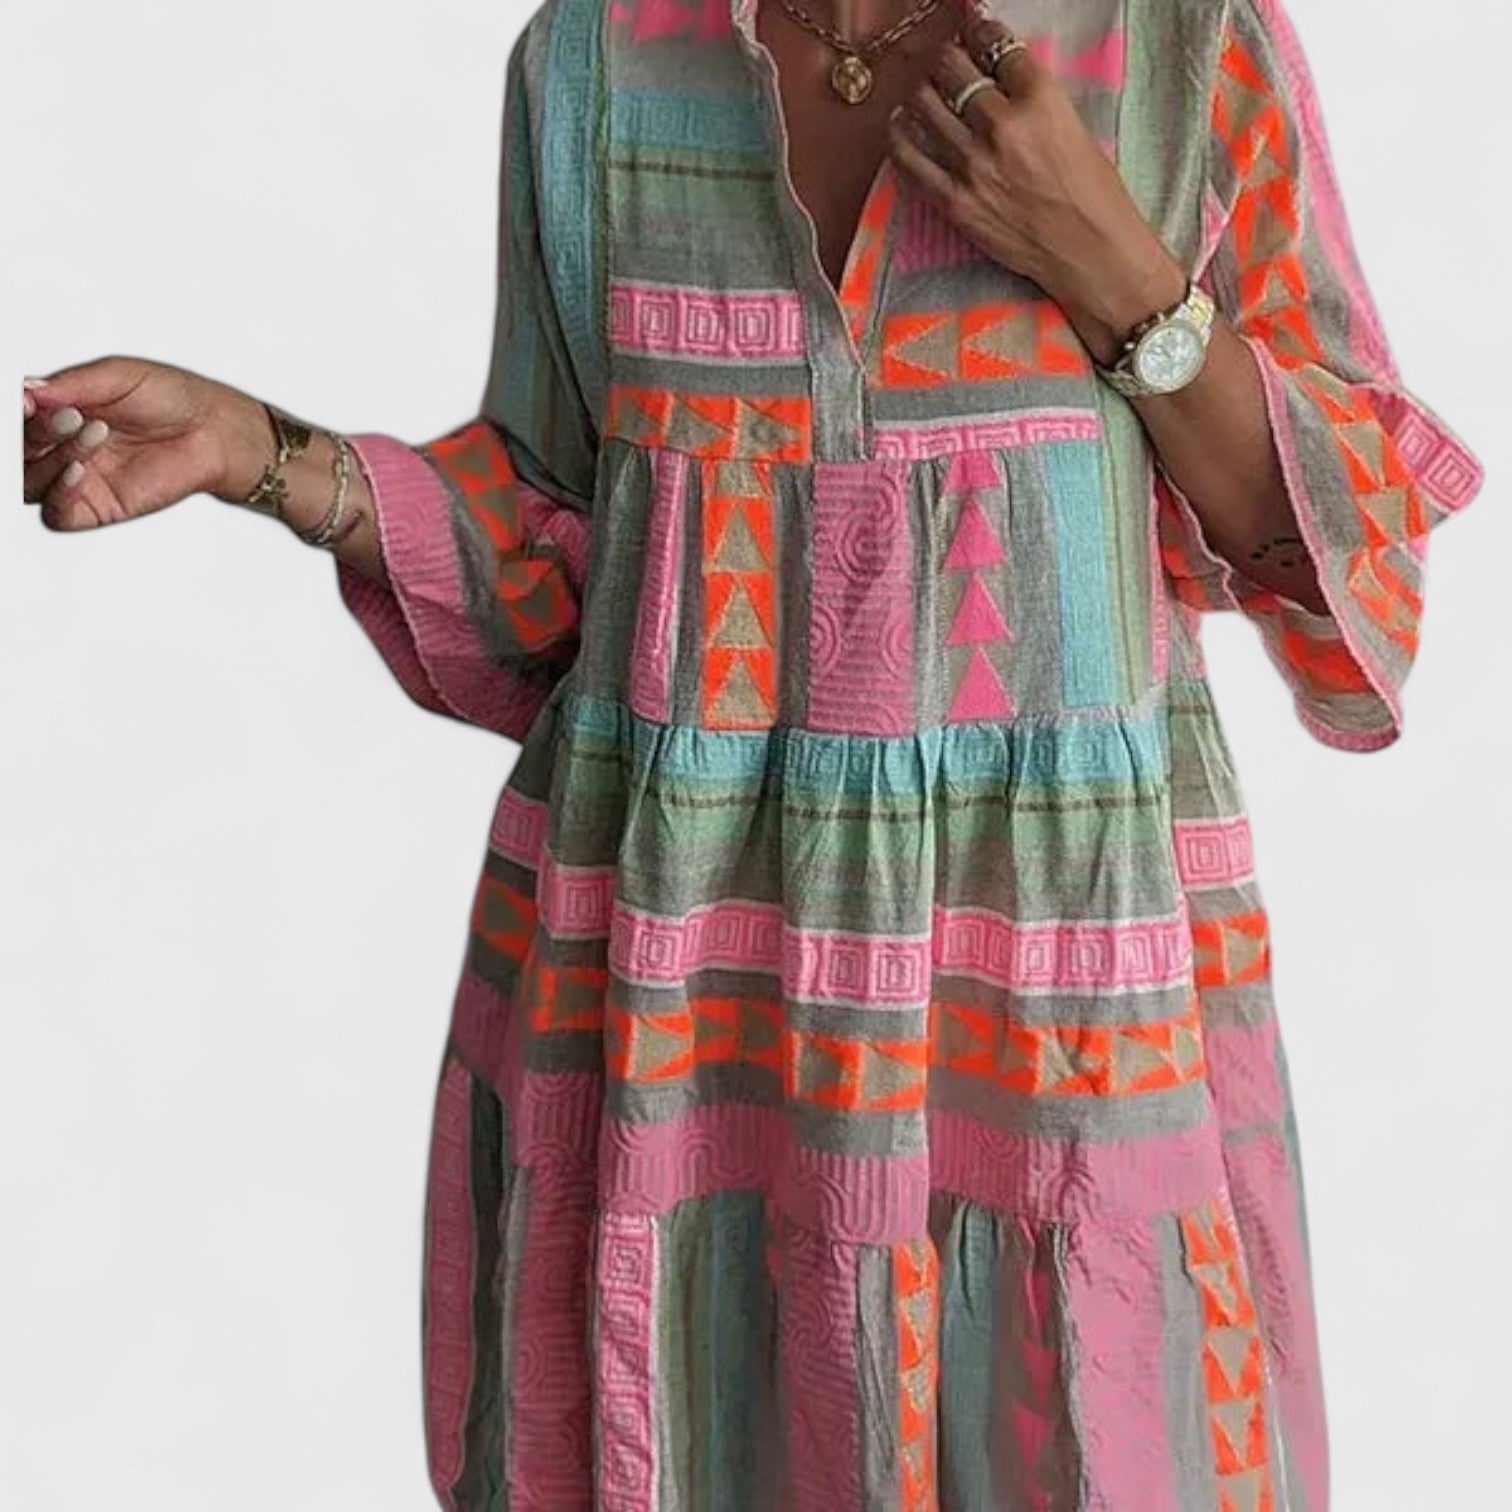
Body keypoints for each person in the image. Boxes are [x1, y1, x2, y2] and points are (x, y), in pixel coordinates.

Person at [19, 0, 1486, 1505]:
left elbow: (1341, 549)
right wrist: (264, 456)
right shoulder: (594, 61)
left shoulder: (1179, 46)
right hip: (683, 1020)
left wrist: (1107, 261)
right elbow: (576, 566)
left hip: (1047, 1011)